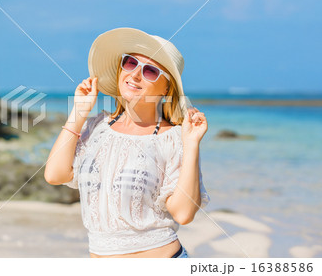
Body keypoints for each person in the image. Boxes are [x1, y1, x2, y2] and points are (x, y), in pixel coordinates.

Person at [44, 27, 210, 258]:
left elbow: (183, 214)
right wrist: (79, 112)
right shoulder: (96, 128)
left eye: (150, 71)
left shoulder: (174, 138)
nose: (134, 75)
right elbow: (55, 174)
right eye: (130, 63)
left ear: (166, 89)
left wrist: (191, 145)